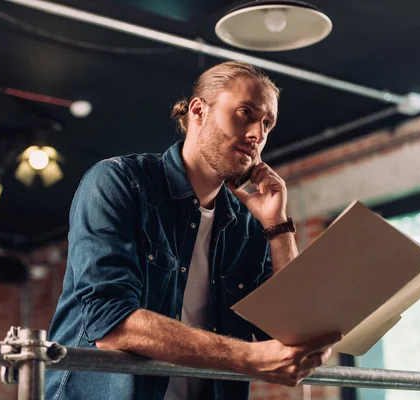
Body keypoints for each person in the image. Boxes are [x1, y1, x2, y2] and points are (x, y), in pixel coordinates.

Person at [45, 61, 342, 400]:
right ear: (199, 111)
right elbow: (110, 323)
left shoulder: (247, 223)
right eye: (246, 112)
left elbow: (291, 332)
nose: (257, 134)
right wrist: (249, 357)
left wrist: (278, 227)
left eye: (267, 123)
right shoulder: (120, 183)